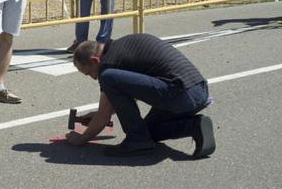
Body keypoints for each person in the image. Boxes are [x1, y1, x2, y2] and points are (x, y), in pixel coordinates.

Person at [67, 35, 215, 158]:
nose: (93, 77)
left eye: (89, 73)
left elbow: (104, 116)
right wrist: (100, 114)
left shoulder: (108, 65)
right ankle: (194, 126)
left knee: (107, 77)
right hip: (198, 92)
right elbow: (135, 88)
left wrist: (81, 139)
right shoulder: (121, 48)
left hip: (179, 94)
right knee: (147, 132)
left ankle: (136, 140)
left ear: (95, 60)